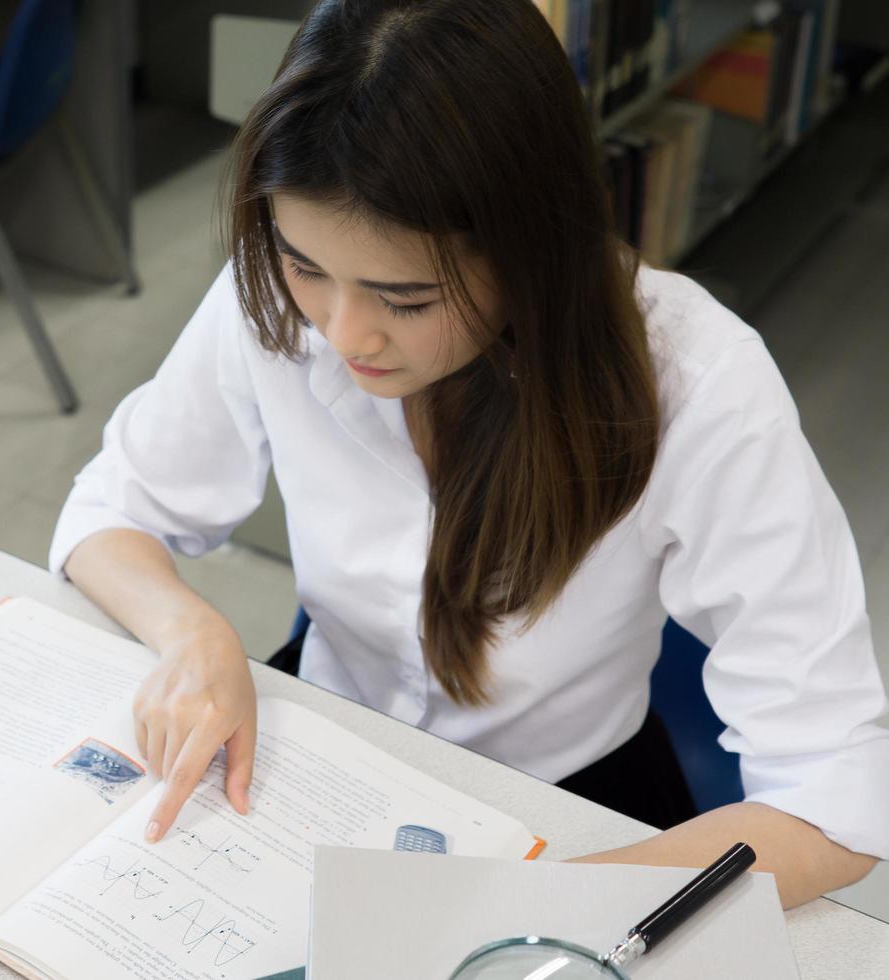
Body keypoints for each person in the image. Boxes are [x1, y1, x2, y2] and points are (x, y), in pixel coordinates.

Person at [49, 0, 888, 908]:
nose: (340, 330)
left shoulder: (699, 381)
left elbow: (835, 798)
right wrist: (193, 631)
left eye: (404, 299)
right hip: (318, 751)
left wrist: (514, 909)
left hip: (565, 803)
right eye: (303, 266)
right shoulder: (287, 293)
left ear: (531, 247)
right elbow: (114, 510)